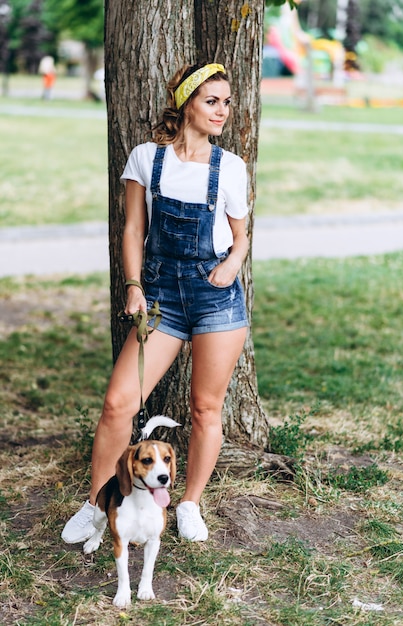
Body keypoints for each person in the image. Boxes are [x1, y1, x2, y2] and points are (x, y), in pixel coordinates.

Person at [61, 62, 249, 543]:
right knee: (117, 404)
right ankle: (98, 506)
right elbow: (132, 230)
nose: (222, 110)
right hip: (161, 296)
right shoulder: (147, 158)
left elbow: (241, 237)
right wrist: (133, 285)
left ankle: (188, 504)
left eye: (226, 101)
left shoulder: (230, 167)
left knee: (206, 408)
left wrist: (230, 267)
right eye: (212, 101)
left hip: (215, 298)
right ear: (186, 102)